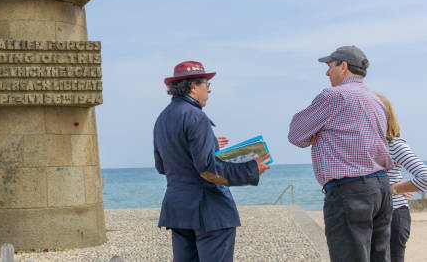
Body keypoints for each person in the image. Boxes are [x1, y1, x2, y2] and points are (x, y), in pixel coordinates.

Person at [154, 60, 270, 262]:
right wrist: (251, 168)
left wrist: (208, 145)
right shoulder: (196, 116)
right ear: (193, 87)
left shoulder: (162, 118)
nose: (209, 91)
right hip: (209, 211)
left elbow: (162, 166)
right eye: (207, 85)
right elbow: (207, 169)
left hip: (178, 208)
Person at [288, 46, 393, 262]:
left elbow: (296, 134)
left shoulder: (333, 96)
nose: (327, 73)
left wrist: (316, 134)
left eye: (330, 67)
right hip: (381, 188)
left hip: (350, 191)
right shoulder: (376, 101)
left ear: (343, 66)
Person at [378, 94, 427, 262]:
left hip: (393, 216)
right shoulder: (362, 146)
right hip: (370, 217)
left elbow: (425, 176)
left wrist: (394, 189)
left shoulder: (394, 145)